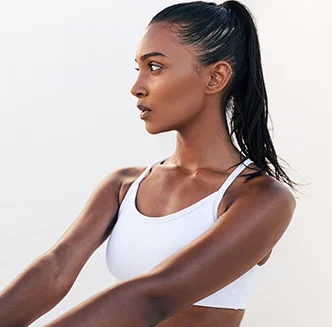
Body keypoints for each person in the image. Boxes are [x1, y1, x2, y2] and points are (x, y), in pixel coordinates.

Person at [0, 1, 301, 326]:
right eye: (138, 68)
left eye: (155, 67)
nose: (136, 87)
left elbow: (154, 297)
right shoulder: (124, 185)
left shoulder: (261, 199)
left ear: (216, 77)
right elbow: (55, 270)